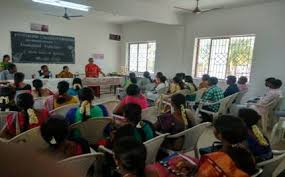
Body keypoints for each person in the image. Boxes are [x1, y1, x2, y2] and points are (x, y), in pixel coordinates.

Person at [148, 116, 257, 177]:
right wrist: (197, 167)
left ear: (219, 135)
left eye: (215, 128)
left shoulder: (215, 160)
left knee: (156, 169)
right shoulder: (247, 153)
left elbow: (207, 173)